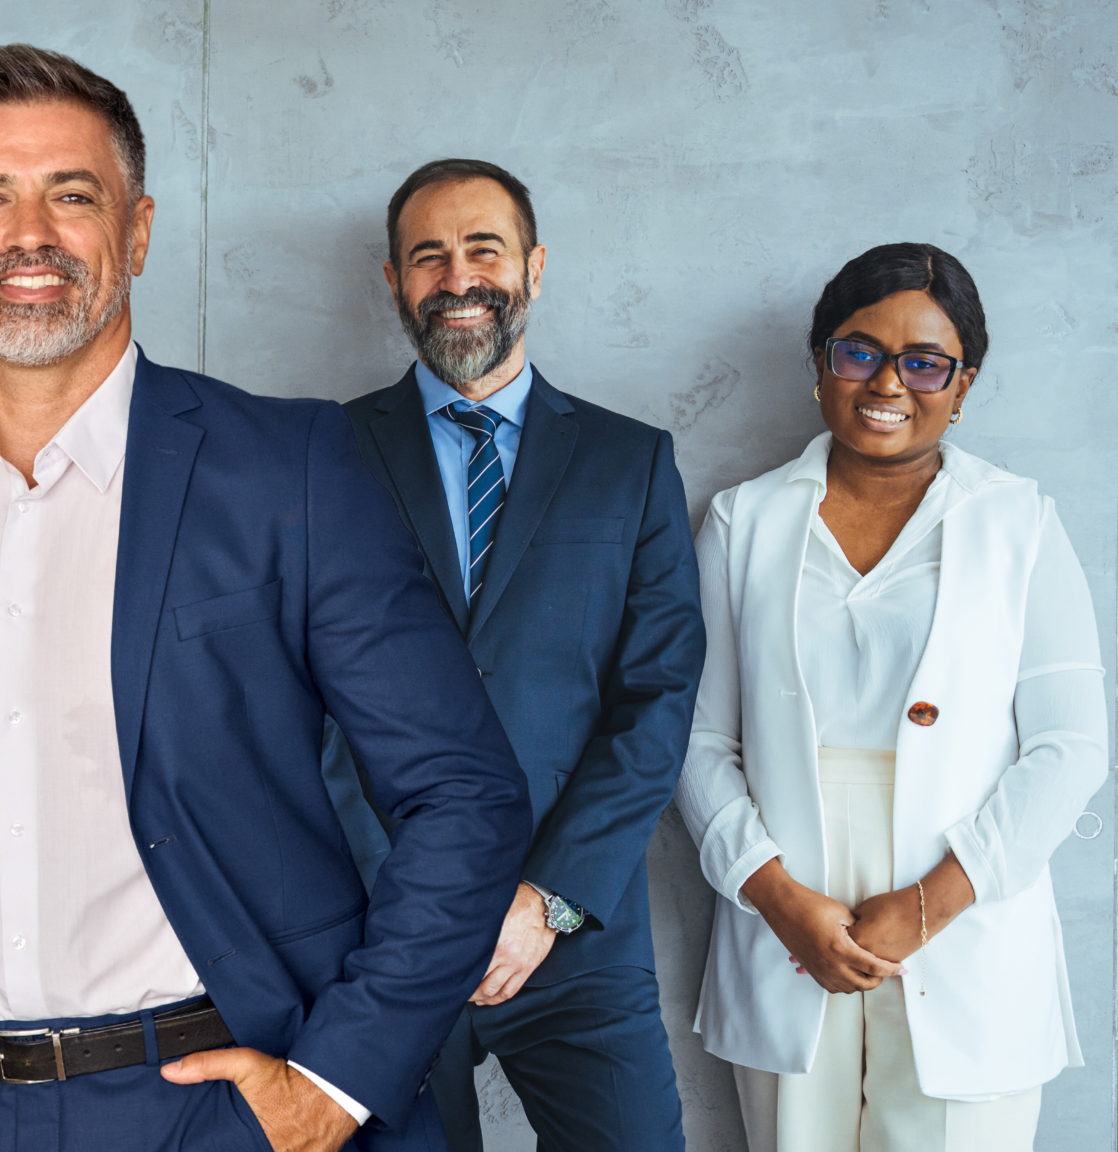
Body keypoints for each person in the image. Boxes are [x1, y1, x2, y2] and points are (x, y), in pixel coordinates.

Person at [0, 45, 534, 1152]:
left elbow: (463, 795)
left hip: (214, 1104)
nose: (29, 234)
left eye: (73, 195)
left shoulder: (286, 470)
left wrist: (333, 1085)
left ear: (137, 231)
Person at [674, 242, 1106, 1152]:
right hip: (790, 914)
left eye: (924, 362)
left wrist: (932, 904)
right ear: (821, 362)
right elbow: (696, 739)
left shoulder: (1020, 522)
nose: (887, 383)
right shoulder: (743, 521)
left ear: (963, 383)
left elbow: (1069, 749)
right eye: (860, 351)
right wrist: (774, 896)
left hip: (964, 908)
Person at [335, 159, 704, 1151]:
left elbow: (657, 700)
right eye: (428, 256)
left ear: (534, 268)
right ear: (393, 281)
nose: (458, 278)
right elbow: (296, 700)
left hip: (577, 931)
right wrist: (411, 902)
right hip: (380, 936)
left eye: (483, 250)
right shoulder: (319, 454)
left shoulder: (630, 464)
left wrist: (548, 899)